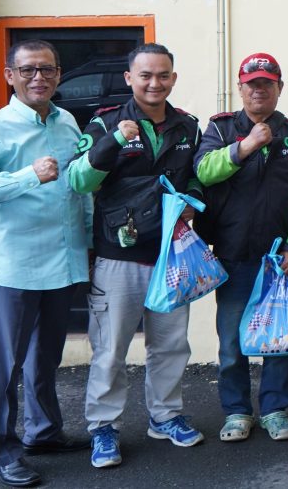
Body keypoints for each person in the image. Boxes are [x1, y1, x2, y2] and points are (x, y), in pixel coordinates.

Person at [0, 40, 91, 487]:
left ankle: (44, 432)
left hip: (62, 260)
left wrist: (90, 240)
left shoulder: (68, 122)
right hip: (14, 265)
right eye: (29, 70)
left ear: (58, 75)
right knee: (7, 365)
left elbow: (79, 187)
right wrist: (27, 175)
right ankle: (3, 450)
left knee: (45, 358)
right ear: (10, 75)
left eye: (48, 70)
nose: (39, 77)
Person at [67, 43, 204, 468]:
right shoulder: (106, 122)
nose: (154, 83)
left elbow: (197, 178)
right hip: (117, 258)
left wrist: (191, 202)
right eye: (145, 75)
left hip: (169, 257)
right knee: (110, 349)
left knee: (170, 346)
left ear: (173, 79)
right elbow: (78, 179)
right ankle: (103, 428)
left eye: (162, 75)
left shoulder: (187, 127)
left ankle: (165, 417)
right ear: (129, 78)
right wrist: (113, 140)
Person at [193, 52, 288, 443]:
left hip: (278, 259)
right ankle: (237, 412)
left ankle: (276, 409)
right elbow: (203, 171)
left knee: (279, 339)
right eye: (252, 84)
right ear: (241, 88)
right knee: (232, 342)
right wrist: (245, 145)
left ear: (279, 88)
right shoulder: (220, 129)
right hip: (231, 254)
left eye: (267, 83)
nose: (259, 89)